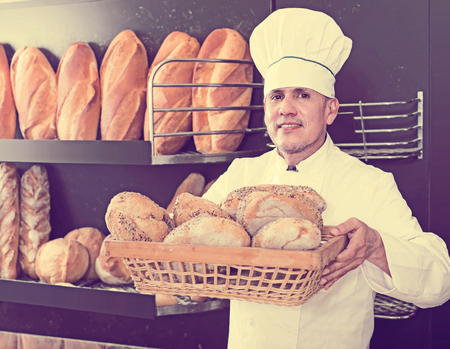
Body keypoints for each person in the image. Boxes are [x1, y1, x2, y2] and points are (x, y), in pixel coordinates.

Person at [202, 8, 450, 349]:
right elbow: (188, 254)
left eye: (302, 94)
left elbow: (440, 281)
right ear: (266, 111)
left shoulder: (368, 183)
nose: (286, 108)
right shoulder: (240, 176)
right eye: (277, 96)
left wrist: (376, 246)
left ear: (330, 110)